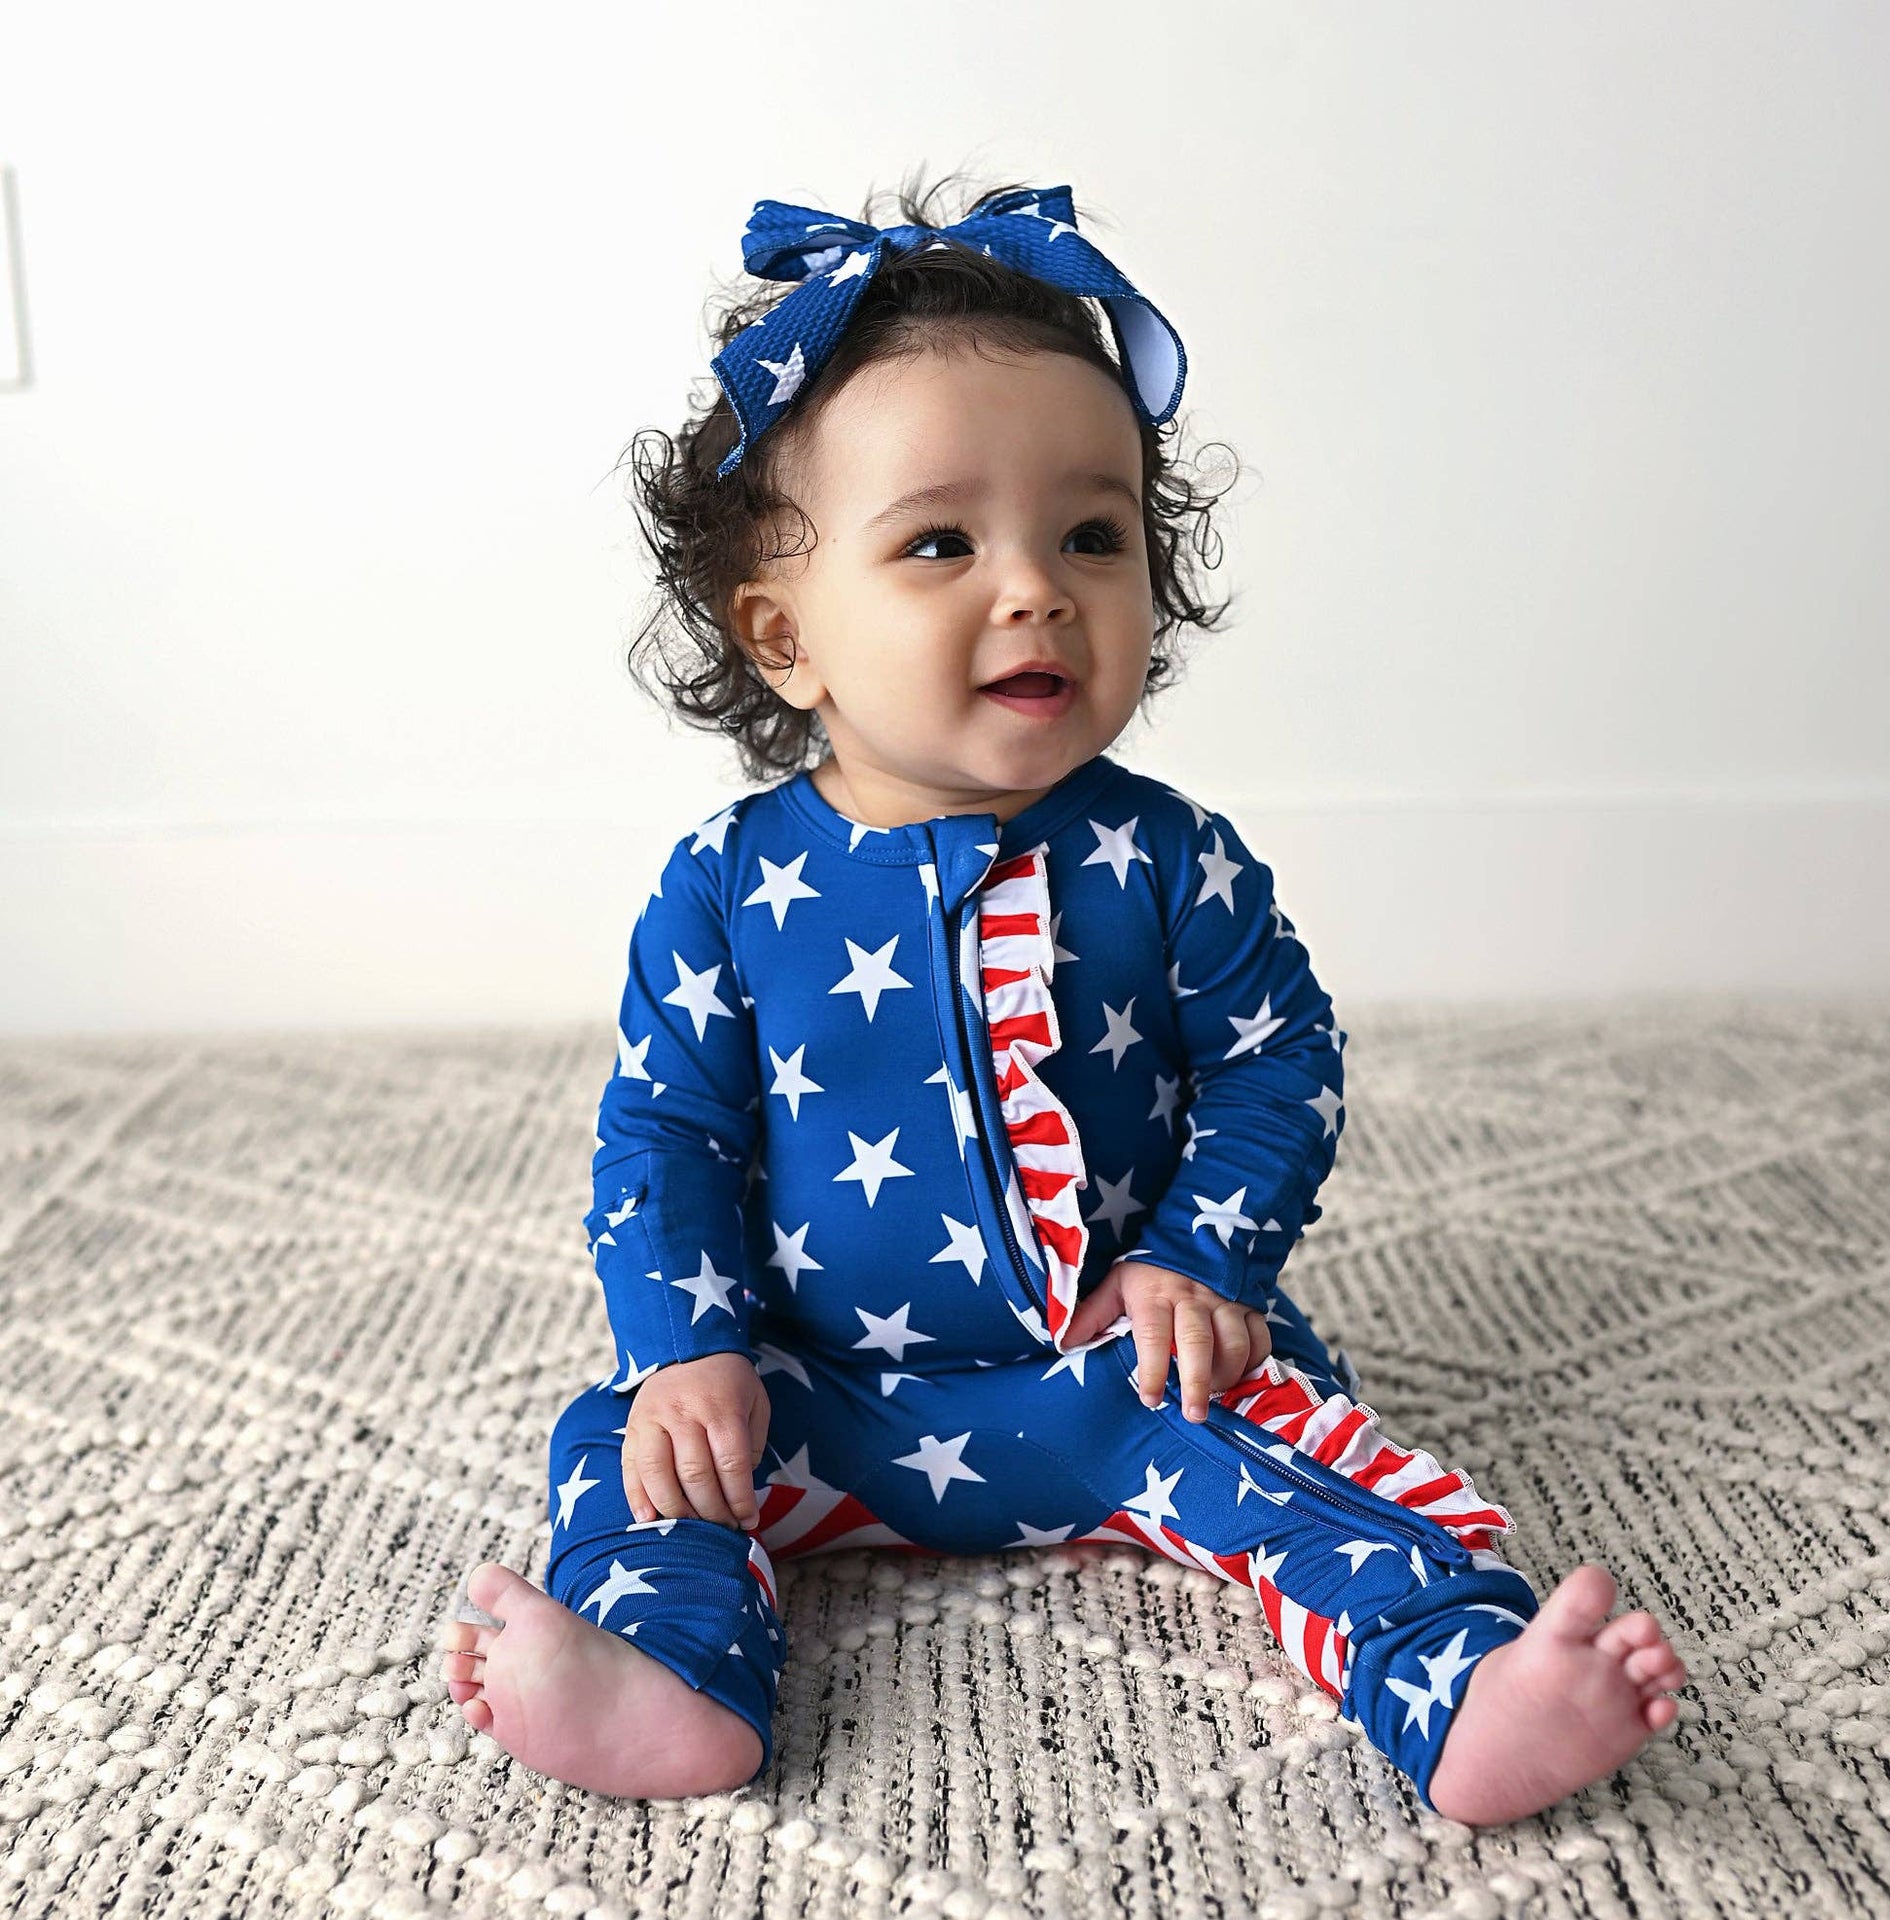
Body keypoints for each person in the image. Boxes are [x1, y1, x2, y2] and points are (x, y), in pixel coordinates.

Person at [439, 171, 1686, 1825]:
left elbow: (1275, 1063)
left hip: (1124, 1374)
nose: (1034, 586)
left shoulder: (1169, 861)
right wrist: (691, 1349)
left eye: (1092, 535)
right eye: (941, 541)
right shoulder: (726, 888)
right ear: (781, 634)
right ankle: (668, 1674)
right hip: (817, 1390)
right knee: (628, 1451)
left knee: (1303, 1454)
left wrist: (1199, 1256)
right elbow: (664, 1133)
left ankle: (1458, 1683)